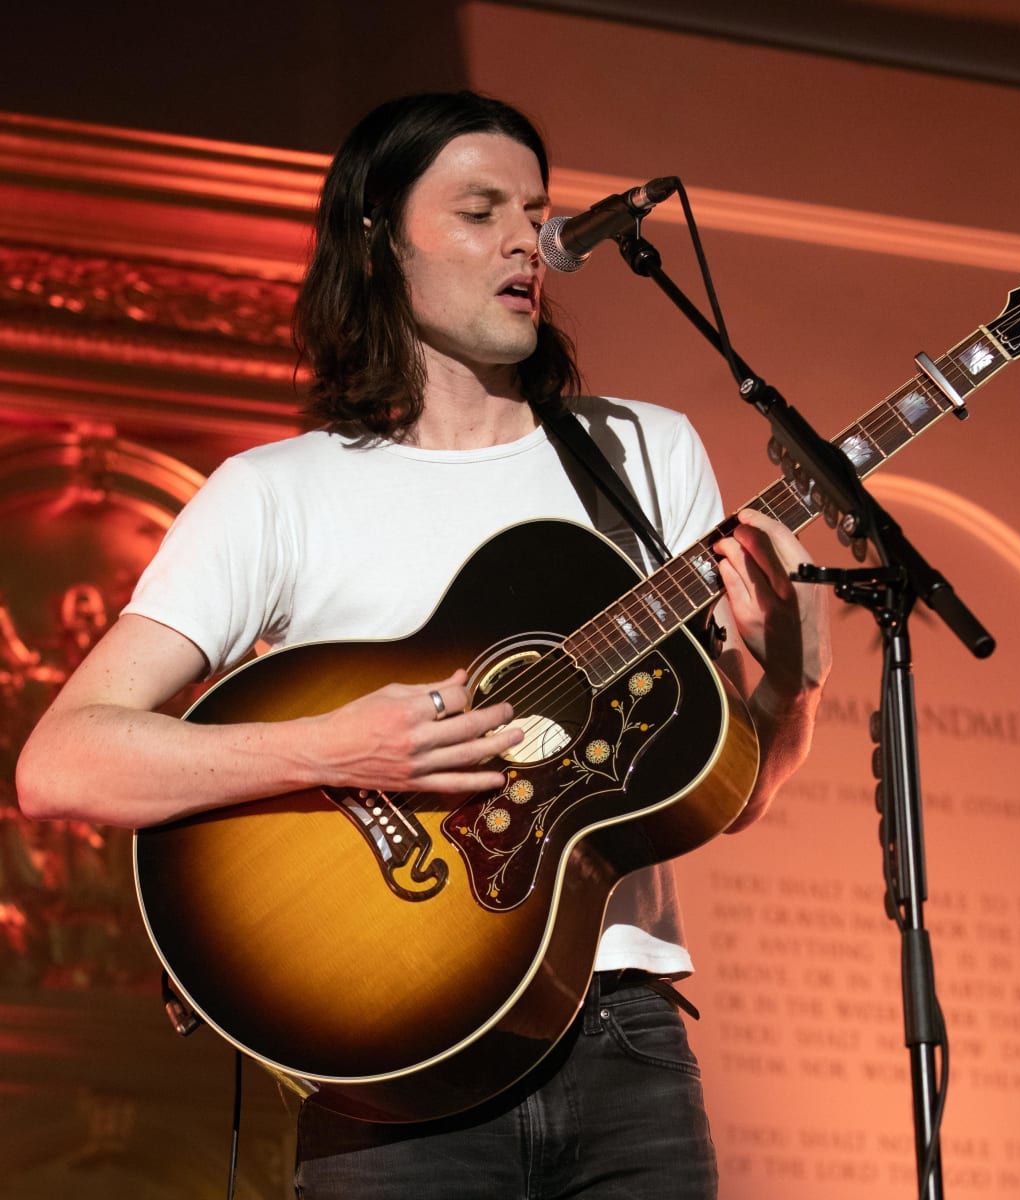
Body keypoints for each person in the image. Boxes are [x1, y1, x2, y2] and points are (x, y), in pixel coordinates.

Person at [16, 92, 831, 1198]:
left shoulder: (641, 456)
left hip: (625, 1046)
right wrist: (335, 751)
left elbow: (726, 794)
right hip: (386, 1082)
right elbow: (63, 766)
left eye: (536, 212)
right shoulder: (276, 493)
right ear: (378, 235)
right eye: (479, 210)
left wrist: (794, 679)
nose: (524, 241)